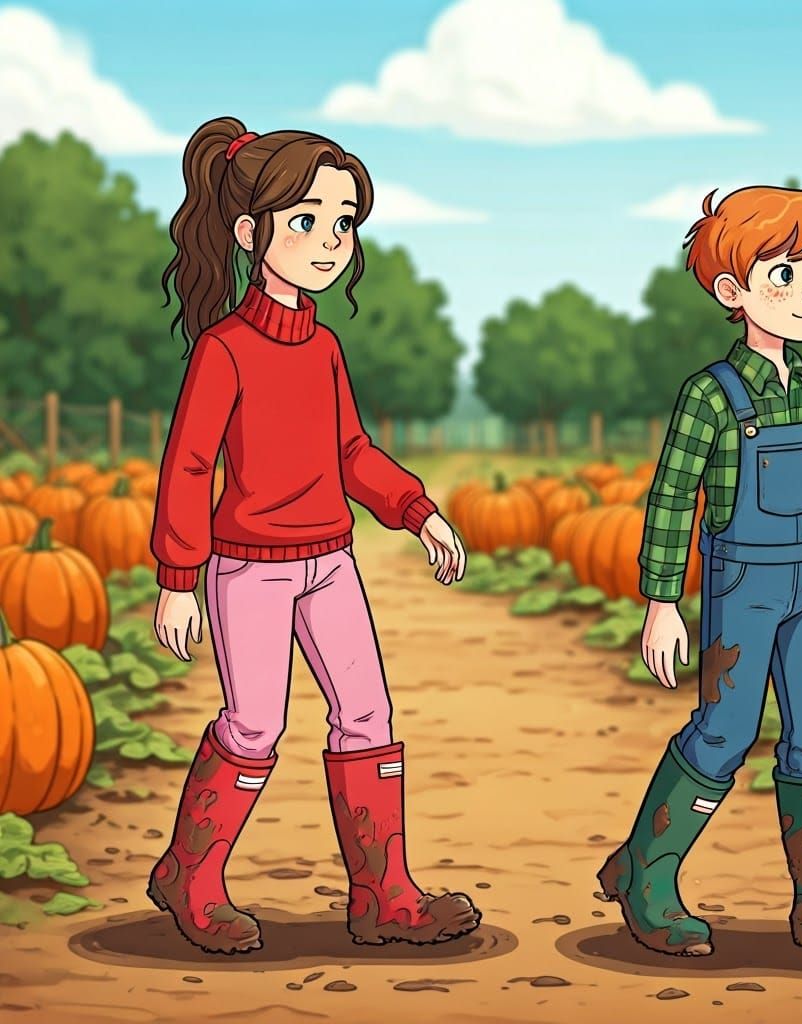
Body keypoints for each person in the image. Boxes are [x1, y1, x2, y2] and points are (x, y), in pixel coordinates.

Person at [148, 116, 480, 954]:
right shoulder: (223, 350)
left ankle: (384, 896)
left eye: (343, 222)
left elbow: (351, 451)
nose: (331, 241)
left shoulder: (324, 347)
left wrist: (417, 510)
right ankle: (189, 876)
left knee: (367, 713)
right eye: (308, 221)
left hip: (329, 564)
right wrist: (177, 579)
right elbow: (188, 466)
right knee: (254, 726)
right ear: (250, 233)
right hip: (248, 572)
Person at [599, 183, 802, 956]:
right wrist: (662, 601)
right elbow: (674, 495)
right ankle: (646, 870)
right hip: (744, 589)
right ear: (732, 291)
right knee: (725, 731)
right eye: (786, 275)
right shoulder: (712, 394)